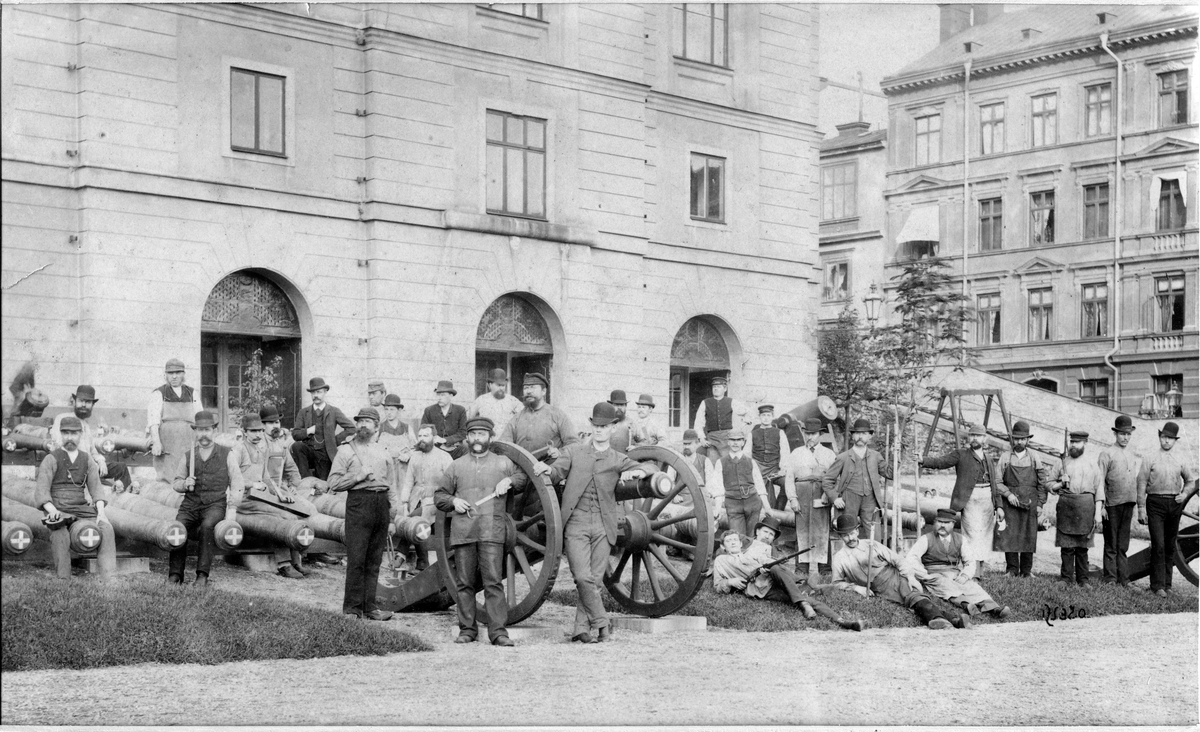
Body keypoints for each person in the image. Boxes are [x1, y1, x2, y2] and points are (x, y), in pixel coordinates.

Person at [537, 402, 657, 643]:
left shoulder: (617, 459)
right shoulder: (574, 452)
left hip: (604, 526)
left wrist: (641, 472)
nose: (599, 430)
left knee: (594, 579)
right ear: (591, 426)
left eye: (605, 426)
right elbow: (556, 472)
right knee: (582, 577)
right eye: (596, 425)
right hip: (576, 523)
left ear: (613, 428)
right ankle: (602, 622)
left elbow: (650, 465)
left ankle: (581, 629)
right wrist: (545, 469)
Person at [434, 416, 528, 647]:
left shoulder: (503, 463)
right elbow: (439, 496)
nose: (477, 439)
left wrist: (510, 482)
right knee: (465, 583)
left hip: (492, 531)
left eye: (482, 434)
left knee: (493, 582)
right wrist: (454, 501)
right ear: (467, 438)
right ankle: (468, 630)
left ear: (490, 437)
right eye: (473, 434)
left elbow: (523, 477)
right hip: (464, 531)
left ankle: (498, 632)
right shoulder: (456, 466)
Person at [713, 517, 864, 631]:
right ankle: (805, 598)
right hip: (761, 589)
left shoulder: (752, 553)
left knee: (775, 567)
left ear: (740, 543)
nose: (732, 542)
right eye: (728, 541)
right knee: (805, 596)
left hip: (772, 577)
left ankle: (843, 621)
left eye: (735, 540)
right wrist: (730, 582)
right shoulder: (721, 560)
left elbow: (767, 561)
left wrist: (765, 565)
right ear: (723, 546)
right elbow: (718, 585)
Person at [826, 514, 970, 630]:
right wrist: (856, 587)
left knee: (912, 595)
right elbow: (836, 583)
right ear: (840, 537)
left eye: (852, 533)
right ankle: (953, 620)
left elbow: (898, 560)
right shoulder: (839, 558)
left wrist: (910, 577)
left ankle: (937, 620)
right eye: (845, 535)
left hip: (893, 575)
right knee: (913, 600)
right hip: (878, 587)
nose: (850, 538)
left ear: (857, 531)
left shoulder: (872, 544)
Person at [327, 407, 394, 620]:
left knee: (374, 559)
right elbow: (333, 483)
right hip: (359, 503)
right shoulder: (346, 450)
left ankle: (369, 607)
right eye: (360, 421)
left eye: (368, 421)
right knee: (357, 558)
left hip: (381, 504)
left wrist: (392, 516)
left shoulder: (384, 451)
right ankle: (352, 609)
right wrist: (357, 477)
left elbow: (392, 485)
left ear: (377, 426)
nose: (363, 425)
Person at [35, 416, 116, 579]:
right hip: (58, 508)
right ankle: (64, 579)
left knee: (107, 528)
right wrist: (52, 510)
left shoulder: (87, 459)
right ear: (60, 435)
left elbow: (96, 489)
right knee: (60, 533)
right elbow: (42, 491)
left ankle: (109, 579)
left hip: (81, 508)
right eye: (65, 433)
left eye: (74, 433)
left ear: (81, 435)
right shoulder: (51, 459)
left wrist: (101, 512)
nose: (70, 437)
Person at [170, 411, 244, 588]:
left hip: (215, 504)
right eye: (200, 430)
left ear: (214, 431)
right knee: (178, 528)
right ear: (195, 432)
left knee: (207, 527)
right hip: (190, 504)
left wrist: (232, 508)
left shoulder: (227, 454)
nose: (203, 434)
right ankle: (174, 575)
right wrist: (184, 483)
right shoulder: (188, 455)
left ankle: (202, 575)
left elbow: (237, 482)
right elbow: (176, 482)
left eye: (207, 429)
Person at [236, 413, 312, 579]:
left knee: (292, 513)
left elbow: (266, 478)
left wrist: (280, 495)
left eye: (259, 431)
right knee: (281, 517)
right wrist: (251, 484)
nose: (257, 435)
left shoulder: (262, 449)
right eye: (253, 431)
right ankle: (283, 564)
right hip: (243, 501)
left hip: (260, 497)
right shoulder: (238, 449)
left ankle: (296, 561)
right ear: (244, 431)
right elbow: (231, 477)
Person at [918, 424, 998, 575]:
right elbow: (941, 462)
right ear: (969, 438)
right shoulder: (961, 454)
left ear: (984, 439)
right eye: (972, 435)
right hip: (970, 499)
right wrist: (923, 460)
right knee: (971, 535)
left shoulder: (988, 458)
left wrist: (998, 505)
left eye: (978, 436)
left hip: (987, 499)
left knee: (985, 536)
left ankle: (980, 571)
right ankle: (972, 571)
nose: (974, 438)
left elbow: (995, 483)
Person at [905, 509, 1012, 619]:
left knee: (971, 586)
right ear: (934, 523)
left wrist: (965, 575)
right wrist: (924, 574)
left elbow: (970, 561)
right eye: (939, 522)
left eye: (946, 523)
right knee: (944, 586)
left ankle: (994, 608)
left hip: (954, 572)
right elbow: (912, 557)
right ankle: (967, 605)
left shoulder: (961, 539)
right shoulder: (926, 539)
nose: (942, 526)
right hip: (934, 573)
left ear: (953, 524)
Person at [1137, 421, 1196, 597]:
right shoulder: (1150, 458)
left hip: (1174, 504)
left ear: (1175, 441)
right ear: (1159, 437)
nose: (1167, 441)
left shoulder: (1181, 459)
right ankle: (1157, 586)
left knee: (1170, 546)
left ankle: (1167, 585)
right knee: (1159, 545)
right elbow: (1140, 483)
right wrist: (1141, 507)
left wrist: (1184, 494)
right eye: (1164, 437)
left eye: (1170, 438)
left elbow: (1191, 481)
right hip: (1155, 503)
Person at [992, 421, 1053, 577]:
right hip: (1010, 503)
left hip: (1030, 503)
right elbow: (997, 482)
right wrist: (1008, 494)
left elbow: (1042, 482)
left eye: (1022, 439)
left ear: (1028, 440)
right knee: (1009, 534)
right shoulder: (1005, 457)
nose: (1019, 442)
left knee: (1029, 534)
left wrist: (1040, 503)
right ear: (1013, 440)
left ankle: (1026, 570)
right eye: (1016, 439)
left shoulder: (1034, 457)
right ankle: (1011, 569)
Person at [50, 384, 135, 494]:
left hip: (90, 468)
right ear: (74, 401)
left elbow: (92, 451)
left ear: (92, 405)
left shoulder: (86, 426)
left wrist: (100, 461)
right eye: (81, 401)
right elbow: (61, 446)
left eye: (88, 402)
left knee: (121, 467)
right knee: (105, 487)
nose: (84, 405)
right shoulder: (62, 418)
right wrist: (90, 463)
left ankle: (126, 498)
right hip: (72, 469)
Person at [822, 418, 892, 540]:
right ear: (852, 436)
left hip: (870, 500)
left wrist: (895, 454)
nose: (860, 437)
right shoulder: (843, 458)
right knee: (847, 533)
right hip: (849, 499)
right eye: (857, 433)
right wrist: (834, 498)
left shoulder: (876, 456)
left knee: (875, 536)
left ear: (870, 436)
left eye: (864, 434)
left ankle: (874, 558)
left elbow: (890, 473)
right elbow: (827, 480)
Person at [784, 418, 836, 577]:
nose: (810, 437)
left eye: (813, 434)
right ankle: (801, 570)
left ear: (820, 434)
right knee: (802, 530)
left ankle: (825, 570)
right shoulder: (796, 453)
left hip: (821, 494)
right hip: (802, 495)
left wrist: (828, 493)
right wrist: (792, 498)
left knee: (822, 531)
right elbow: (789, 477)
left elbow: (834, 477)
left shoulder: (829, 454)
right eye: (807, 434)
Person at [1053, 431, 1104, 586]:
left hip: (1085, 508)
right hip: (1066, 506)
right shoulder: (1062, 463)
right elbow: (1049, 484)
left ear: (1085, 444)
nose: (1073, 445)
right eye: (1072, 442)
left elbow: (1099, 489)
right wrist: (1061, 483)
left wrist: (1097, 513)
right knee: (1066, 546)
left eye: (1077, 442)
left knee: (1082, 547)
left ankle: (1083, 579)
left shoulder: (1091, 464)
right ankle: (1066, 578)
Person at [1097, 415, 1141, 586]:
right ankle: (1110, 578)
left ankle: (1124, 579)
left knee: (1123, 544)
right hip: (1111, 506)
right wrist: (1101, 505)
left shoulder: (1131, 454)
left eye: (1128, 434)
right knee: (1111, 544)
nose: (1125, 437)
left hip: (1127, 504)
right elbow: (1099, 481)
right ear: (1115, 434)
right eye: (1122, 434)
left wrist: (1135, 504)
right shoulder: (1106, 454)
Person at [290, 377, 355, 481]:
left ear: (325, 392)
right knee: (297, 446)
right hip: (309, 452)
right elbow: (295, 434)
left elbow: (351, 428)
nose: (315, 395)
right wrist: (308, 431)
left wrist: (334, 441)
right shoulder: (303, 412)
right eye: (313, 393)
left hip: (326, 454)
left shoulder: (334, 411)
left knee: (324, 484)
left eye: (318, 392)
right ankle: (306, 481)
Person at [500, 372, 577, 457]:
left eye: (533, 388)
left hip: (549, 467)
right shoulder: (517, 418)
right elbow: (504, 444)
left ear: (543, 391)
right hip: (521, 468)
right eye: (526, 388)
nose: (528, 391)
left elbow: (573, 443)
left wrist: (560, 453)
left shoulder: (558, 415)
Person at [708, 429, 768, 538]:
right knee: (737, 537)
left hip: (753, 503)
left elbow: (760, 486)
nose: (735, 443)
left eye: (738, 440)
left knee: (752, 537)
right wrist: (717, 510)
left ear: (743, 442)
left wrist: (767, 507)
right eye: (732, 440)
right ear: (728, 442)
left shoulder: (751, 462)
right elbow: (718, 489)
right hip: (733, 506)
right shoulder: (720, 462)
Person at [148, 358, 197, 481]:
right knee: (167, 476)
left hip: (188, 442)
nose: (174, 376)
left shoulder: (192, 393)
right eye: (170, 373)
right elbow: (153, 421)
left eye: (178, 373)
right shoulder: (159, 393)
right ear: (165, 375)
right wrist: (156, 442)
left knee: (189, 473)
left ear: (183, 374)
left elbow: (199, 417)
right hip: (168, 444)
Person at [692, 376, 750, 461]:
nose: (716, 389)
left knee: (729, 463)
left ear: (725, 389)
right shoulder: (705, 403)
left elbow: (747, 413)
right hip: (712, 440)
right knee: (713, 463)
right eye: (714, 387)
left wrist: (741, 430)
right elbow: (698, 423)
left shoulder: (732, 402)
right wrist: (701, 438)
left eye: (718, 387)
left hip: (727, 439)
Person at [750, 405, 791, 510]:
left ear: (772, 416)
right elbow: (747, 453)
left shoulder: (779, 433)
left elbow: (785, 452)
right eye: (763, 415)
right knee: (764, 498)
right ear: (759, 417)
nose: (766, 418)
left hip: (775, 469)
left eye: (768, 415)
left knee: (788, 483)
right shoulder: (752, 434)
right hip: (758, 470)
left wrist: (783, 469)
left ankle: (779, 509)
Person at [376, 393, 415, 497]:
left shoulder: (407, 428)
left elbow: (416, 448)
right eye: (386, 409)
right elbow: (372, 448)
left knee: (403, 495)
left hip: (403, 468)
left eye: (392, 409)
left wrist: (408, 455)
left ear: (399, 410)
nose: (388, 413)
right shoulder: (379, 428)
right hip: (386, 469)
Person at [467, 369, 523, 437]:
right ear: (489, 385)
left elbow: (523, 419)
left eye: (503, 385)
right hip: (487, 440)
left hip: (507, 441)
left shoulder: (513, 401)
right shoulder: (481, 400)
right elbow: (468, 419)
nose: (501, 388)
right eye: (498, 385)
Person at [422, 380, 468, 459]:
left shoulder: (460, 410)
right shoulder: (429, 410)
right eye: (438, 394)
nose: (439, 398)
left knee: (466, 453)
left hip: (455, 449)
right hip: (436, 449)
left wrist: (445, 440)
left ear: (451, 396)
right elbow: (423, 430)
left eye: (442, 395)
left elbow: (463, 433)